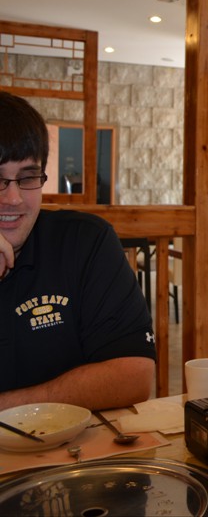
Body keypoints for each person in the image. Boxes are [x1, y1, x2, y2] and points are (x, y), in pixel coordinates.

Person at [0, 91, 156, 410]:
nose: (13, 198)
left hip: (71, 452)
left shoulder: (85, 242)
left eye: (28, 178)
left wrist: (11, 409)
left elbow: (134, 375)